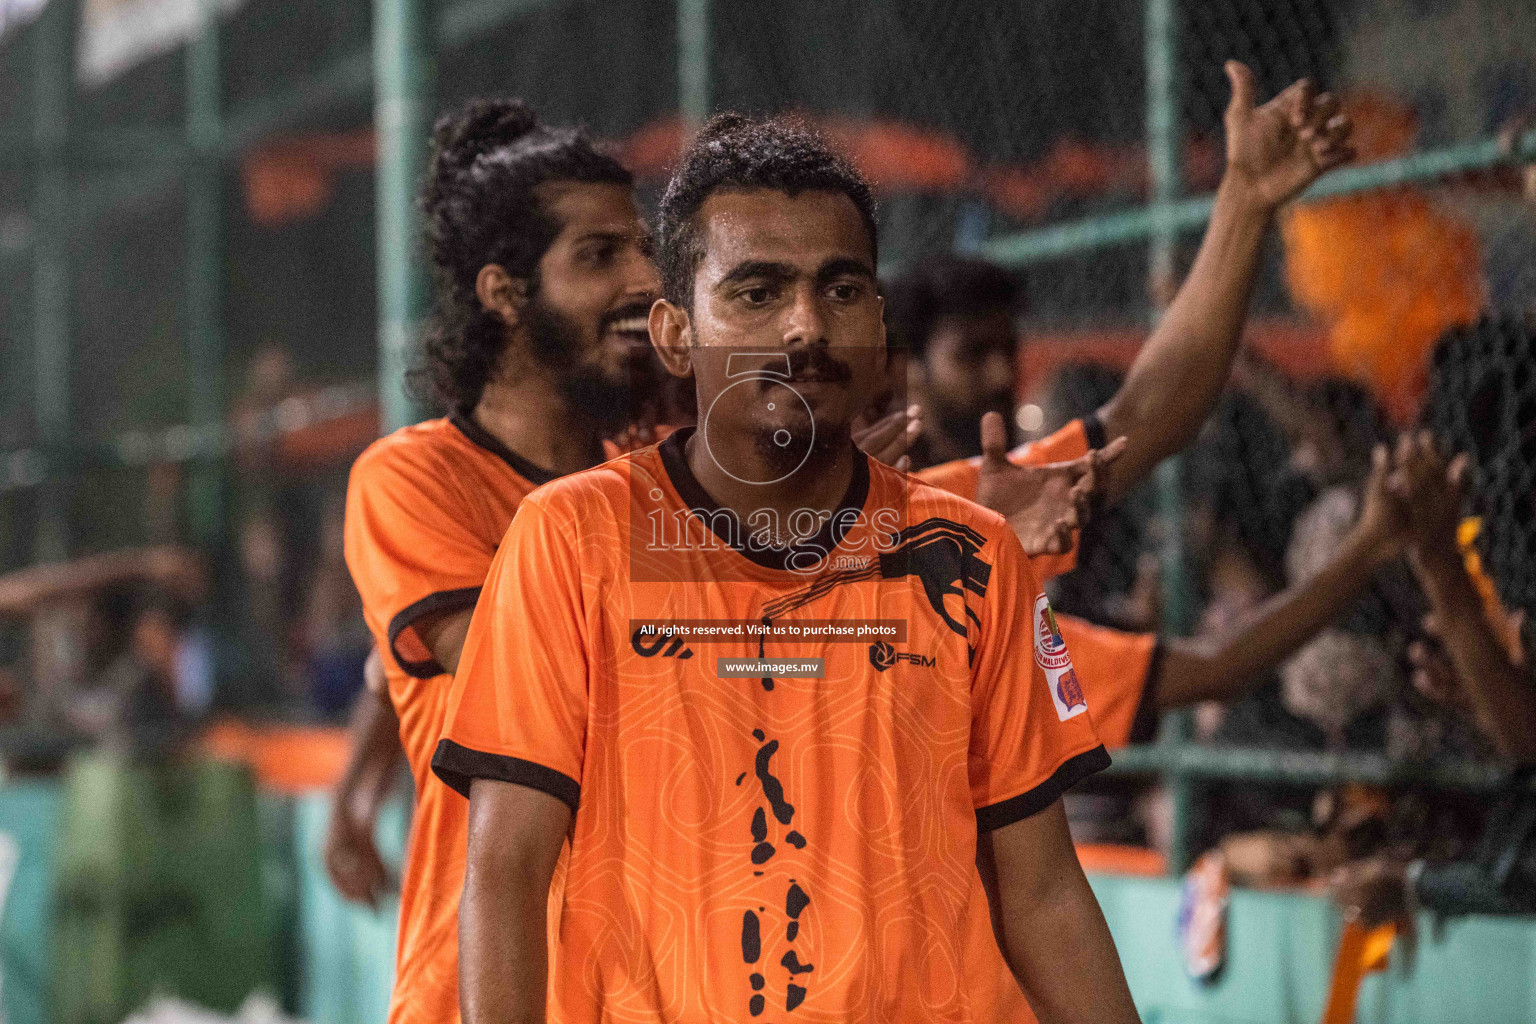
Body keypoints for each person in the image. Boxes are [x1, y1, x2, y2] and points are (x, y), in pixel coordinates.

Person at [435, 113, 1141, 1023]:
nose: (808, 326)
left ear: (879, 324)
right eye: (758, 293)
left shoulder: (971, 558)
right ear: (676, 334)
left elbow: (1041, 892)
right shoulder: (571, 539)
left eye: (843, 290)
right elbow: (506, 873)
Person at [334, 98, 660, 1024]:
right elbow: (518, 669)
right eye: (600, 256)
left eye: (644, 248)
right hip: (481, 993)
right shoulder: (411, 478)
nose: (646, 280)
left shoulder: (662, 481)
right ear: (504, 293)